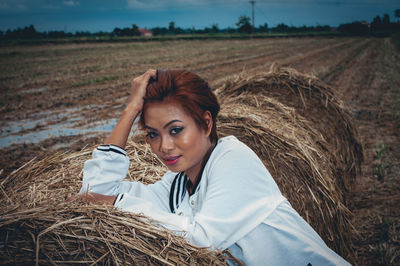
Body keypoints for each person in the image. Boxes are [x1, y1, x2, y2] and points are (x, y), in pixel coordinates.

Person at [75, 69, 350, 265]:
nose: (164, 147)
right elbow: (93, 192)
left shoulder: (233, 158)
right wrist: (131, 110)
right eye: (152, 134)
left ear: (207, 123)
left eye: (176, 130)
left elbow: (202, 239)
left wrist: (114, 204)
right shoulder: (178, 186)